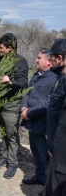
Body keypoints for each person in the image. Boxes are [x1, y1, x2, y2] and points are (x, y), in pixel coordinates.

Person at [0, 33, 29, 179]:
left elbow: (24, 83)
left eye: (1, 47)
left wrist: (10, 82)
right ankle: (4, 157)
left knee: (12, 135)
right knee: (3, 132)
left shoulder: (21, 61)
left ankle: (12, 164)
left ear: (9, 48)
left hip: (12, 105)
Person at [20, 49, 57, 186]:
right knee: (36, 153)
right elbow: (27, 93)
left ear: (48, 62)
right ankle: (40, 176)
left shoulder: (54, 78)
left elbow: (48, 102)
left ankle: (48, 184)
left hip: (43, 125)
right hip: (31, 124)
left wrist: (29, 113)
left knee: (45, 156)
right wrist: (24, 108)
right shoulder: (36, 75)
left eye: (39, 58)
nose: (36, 60)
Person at [41, 39, 66, 196]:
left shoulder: (62, 82)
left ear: (61, 59)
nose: (51, 61)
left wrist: (51, 141)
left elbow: (53, 110)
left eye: (53, 57)